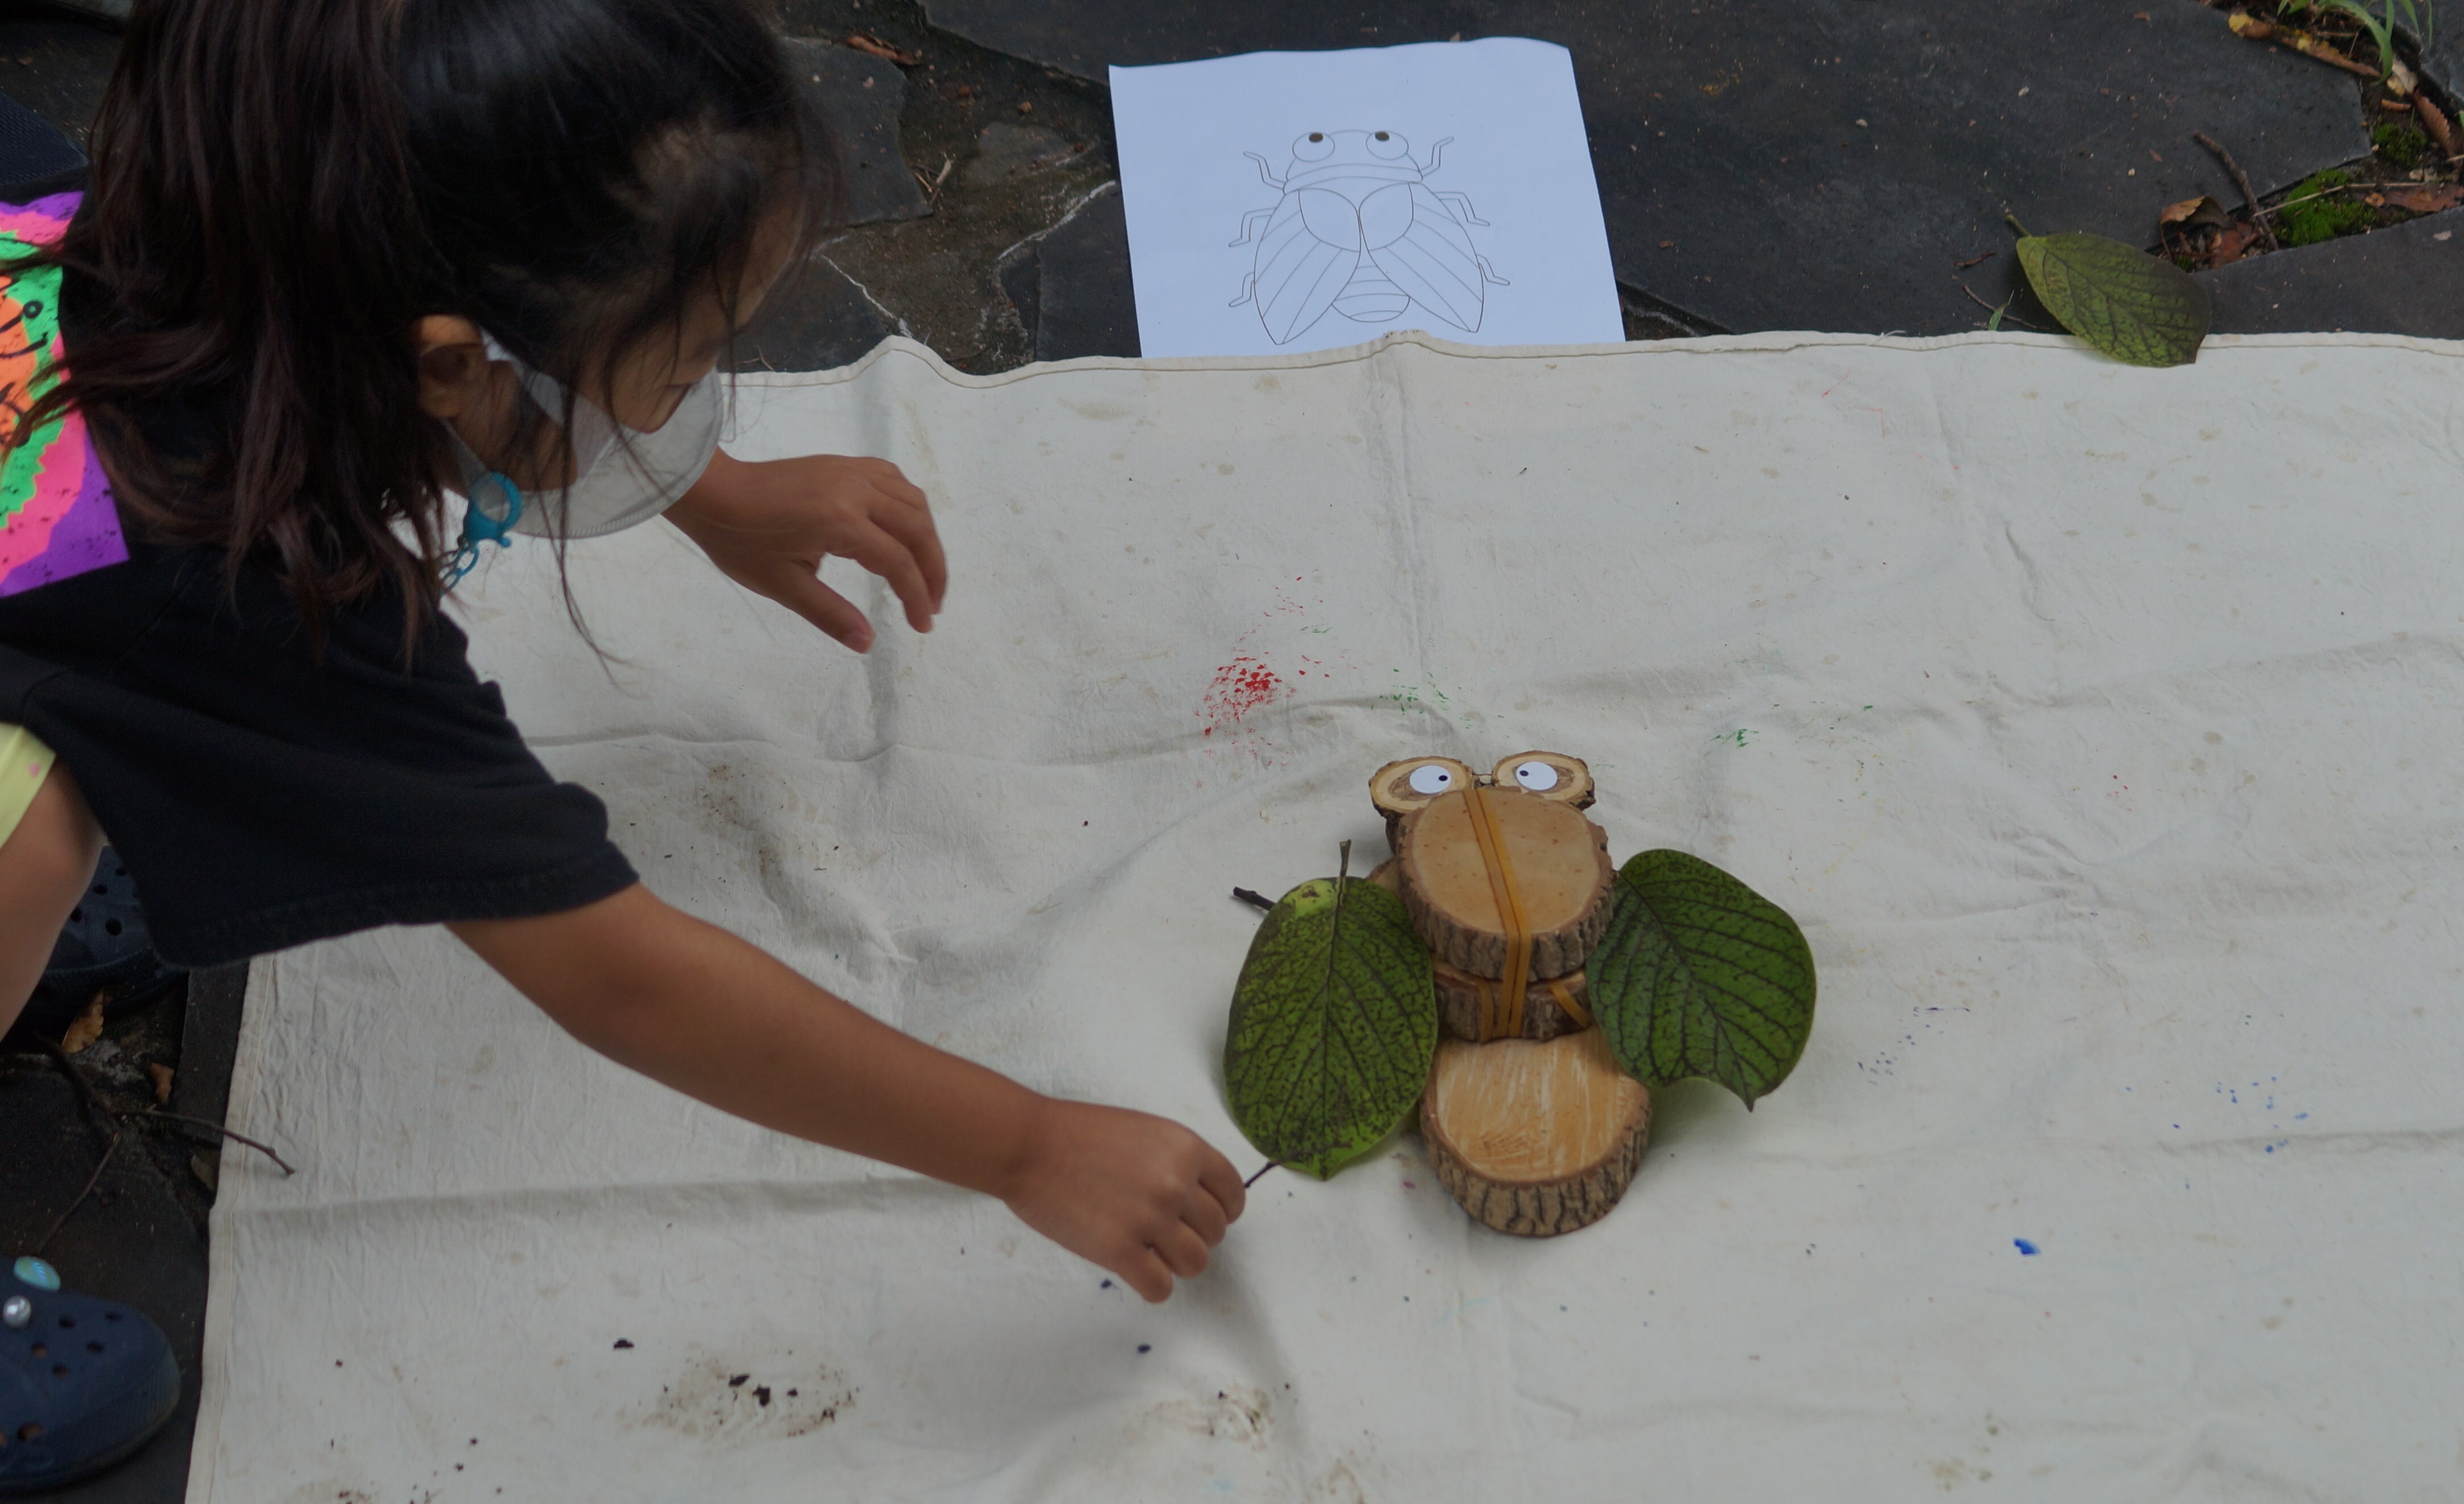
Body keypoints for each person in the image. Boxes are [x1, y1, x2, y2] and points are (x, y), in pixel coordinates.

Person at [0, 0, 1245, 1487]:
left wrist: (709, 493)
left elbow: (516, 384)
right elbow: (618, 972)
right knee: (24, 840)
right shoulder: (261, 601)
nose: (693, 397)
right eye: (687, 359)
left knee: (71, 747)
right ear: (449, 359)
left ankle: (86, 751)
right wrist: (1028, 1145)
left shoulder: (145, 210)